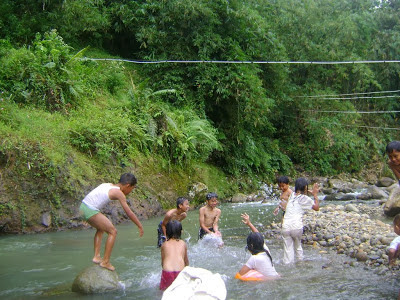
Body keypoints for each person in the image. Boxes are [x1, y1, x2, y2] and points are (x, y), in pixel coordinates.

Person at [79, 173, 144, 271]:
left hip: (83, 207)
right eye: (132, 188)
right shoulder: (119, 193)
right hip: (90, 209)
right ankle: (105, 262)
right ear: (127, 186)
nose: (131, 191)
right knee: (112, 231)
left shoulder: (108, 184)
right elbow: (129, 213)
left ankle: (97, 256)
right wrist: (139, 225)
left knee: (101, 228)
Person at [281, 177, 319, 264]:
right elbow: (316, 208)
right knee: (298, 246)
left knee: (288, 250)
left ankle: (287, 266)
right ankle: (300, 263)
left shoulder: (291, 196)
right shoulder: (304, 198)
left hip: (285, 227)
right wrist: (315, 195)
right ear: (305, 188)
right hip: (296, 227)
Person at [235, 213, 280, 281]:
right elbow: (258, 236)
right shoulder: (266, 250)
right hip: (276, 278)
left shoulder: (254, 258)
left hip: (268, 283)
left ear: (251, 246)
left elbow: (239, 274)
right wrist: (249, 224)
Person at [160, 220, 189, 291]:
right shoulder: (183, 243)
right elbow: (186, 262)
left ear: (166, 232)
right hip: (180, 272)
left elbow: (163, 263)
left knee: (165, 292)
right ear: (181, 231)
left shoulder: (164, 244)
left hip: (167, 271)